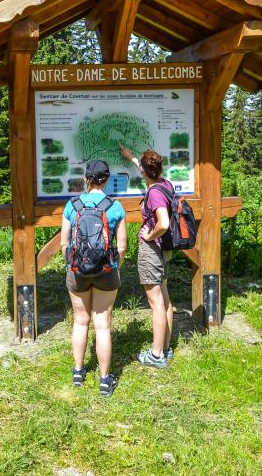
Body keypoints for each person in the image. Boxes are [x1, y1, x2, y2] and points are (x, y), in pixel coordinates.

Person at [60, 159, 127, 396]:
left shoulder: (72, 205)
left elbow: (64, 243)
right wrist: (113, 265)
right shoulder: (115, 207)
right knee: (102, 325)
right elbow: (122, 246)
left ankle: (78, 372)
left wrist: (72, 265)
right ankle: (104, 379)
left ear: (87, 179)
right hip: (106, 272)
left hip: (77, 271)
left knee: (80, 321)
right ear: (107, 179)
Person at [120, 146, 174, 369]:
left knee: (155, 302)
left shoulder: (153, 193)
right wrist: (132, 157)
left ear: (144, 170)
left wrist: (150, 235)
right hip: (165, 249)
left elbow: (163, 222)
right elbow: (147, 170)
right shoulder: (165, 184)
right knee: (164, 297)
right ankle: (166, 347)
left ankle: (156, 354)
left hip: (153, 250)